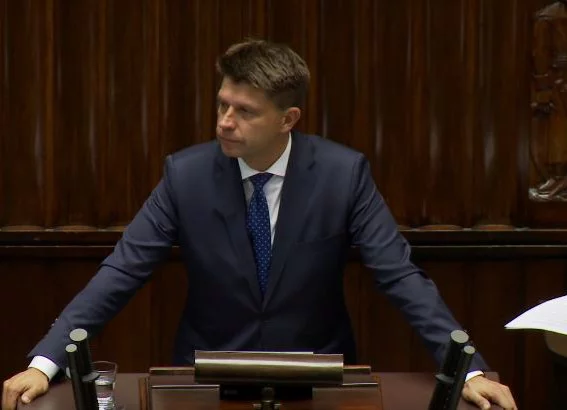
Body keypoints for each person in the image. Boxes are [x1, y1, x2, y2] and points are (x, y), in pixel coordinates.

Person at [2, 39, 517, 410]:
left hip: (316, 380)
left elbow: (400, 276)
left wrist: (467, 367)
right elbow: (122, 270)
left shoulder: (343, 175)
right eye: (222, 104)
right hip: (205, 380)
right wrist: (46, 362)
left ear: (288, 119)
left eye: (245, 112)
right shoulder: (186, 176)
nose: (225, 121)